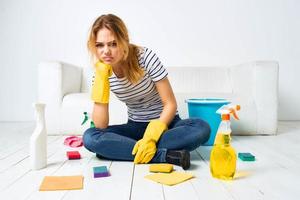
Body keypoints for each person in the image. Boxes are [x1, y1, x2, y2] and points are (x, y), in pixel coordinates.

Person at [83, 14, 210, 169]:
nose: (106, 51)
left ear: (124, 41)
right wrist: (102, 79)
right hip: (134, 127)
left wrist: (151, 136)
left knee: (201, 127)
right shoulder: (101, 73)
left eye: (113, 44)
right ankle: (163, 155)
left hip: (166, 125)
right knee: (90, 137)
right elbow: (100, 126)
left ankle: (124, 149)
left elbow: (170, 104)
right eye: (100, 45)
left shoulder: (145, 57)